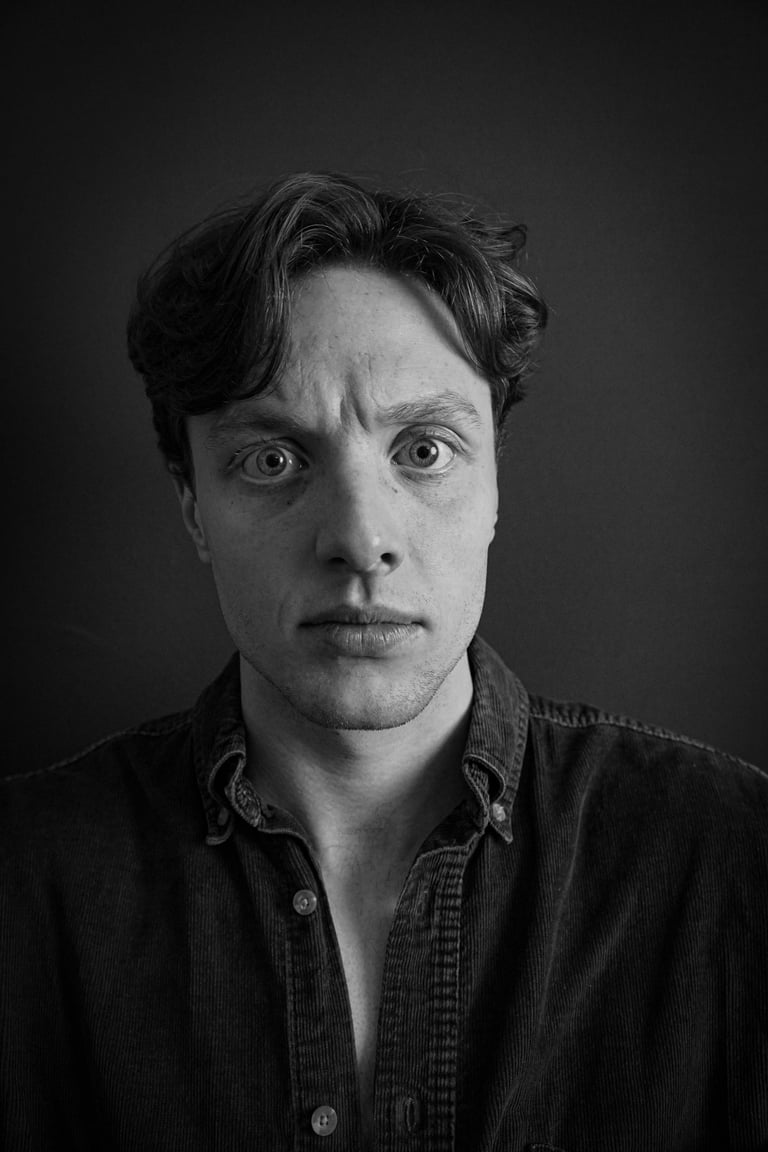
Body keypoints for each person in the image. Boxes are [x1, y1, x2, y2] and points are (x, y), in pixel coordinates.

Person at [1, 172, 766, 1152]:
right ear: (193, 508)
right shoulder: (23, 885)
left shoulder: (733, 861)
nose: (362, 541)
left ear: (495, 487)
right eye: (273, 459)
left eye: (425, 450)